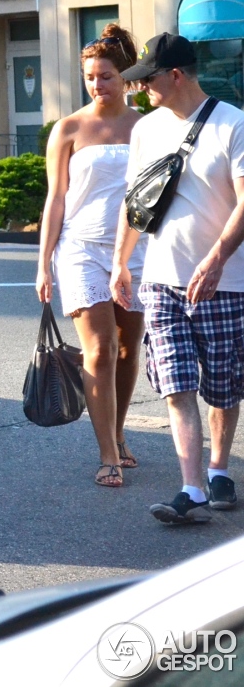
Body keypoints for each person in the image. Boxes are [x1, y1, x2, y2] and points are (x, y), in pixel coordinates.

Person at [112, 32, 244, 524]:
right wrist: (121, 262)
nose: (142, 88)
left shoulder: (234, 124)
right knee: (176, 384)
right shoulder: (145, 130)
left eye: (146, 79)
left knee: (224, 388)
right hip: (162, 279)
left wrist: (214, 260)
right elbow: (136, 203)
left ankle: (218, 469)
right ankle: (191, 488)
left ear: (175, 74)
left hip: (226, 281)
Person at [37, 24, 145, 488]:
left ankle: (118, 434)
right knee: (99, 350)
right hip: (80, 248)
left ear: (124, 77)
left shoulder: (147, 125)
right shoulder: (69, 128)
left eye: (105, 75)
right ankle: (107, 455)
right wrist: (43, 262)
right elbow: (56, 199)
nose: (97, 85)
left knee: (126, 346)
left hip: (137, 251)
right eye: (89, 77)